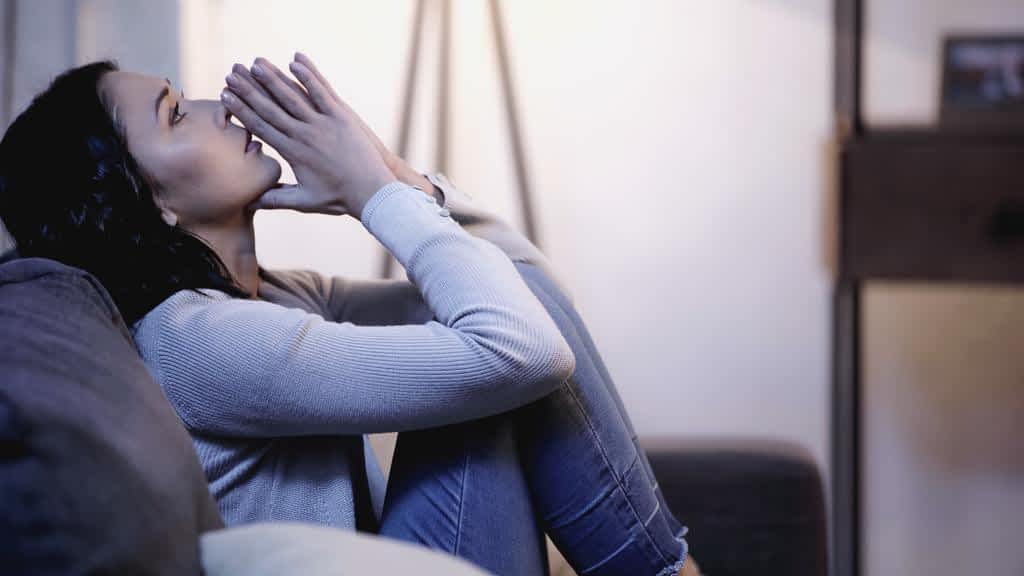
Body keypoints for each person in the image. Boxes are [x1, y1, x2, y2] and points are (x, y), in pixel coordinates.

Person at [0, 54, 689, 576]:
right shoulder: (198, 340)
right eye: (176, 114)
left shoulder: (275, 295)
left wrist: (395, 181)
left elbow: (524, 290)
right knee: (490, 366)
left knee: (497, 314)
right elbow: (523, 347)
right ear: (148, 203)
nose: (221, 108)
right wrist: (377, 197)